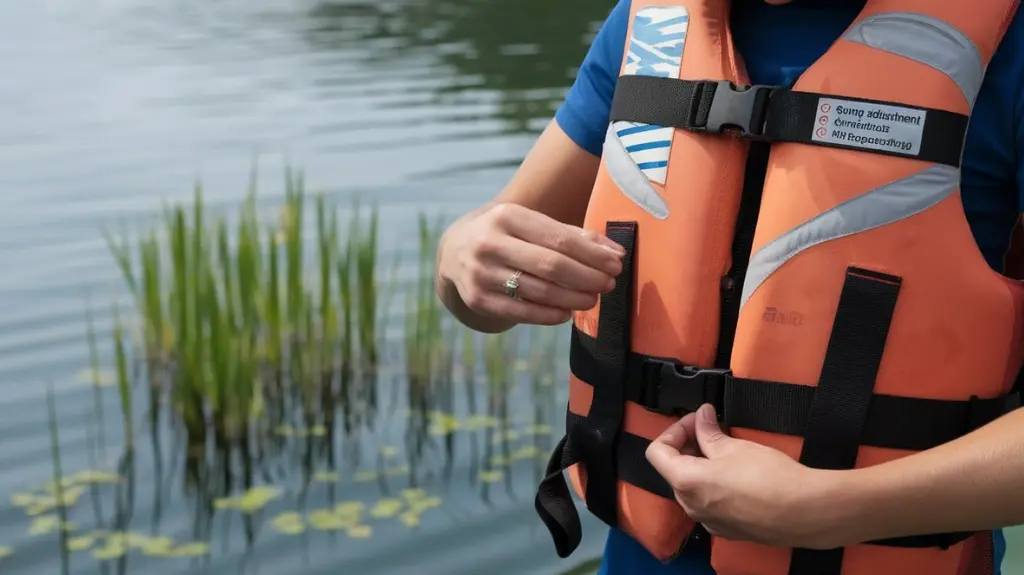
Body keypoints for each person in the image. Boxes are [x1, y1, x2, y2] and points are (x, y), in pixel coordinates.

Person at [433, 0, 1024, 573]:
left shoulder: (1009, 41)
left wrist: (834, 509)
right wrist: (462, 259)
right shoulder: (648, 24)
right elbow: (477, 290)